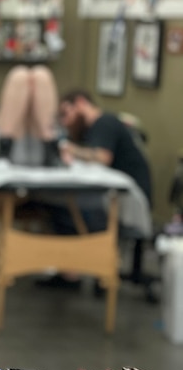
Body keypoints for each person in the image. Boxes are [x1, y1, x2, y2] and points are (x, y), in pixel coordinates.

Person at [35, 88, 153, 288]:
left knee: (61, 209)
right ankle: (72, 271)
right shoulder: (96, 128)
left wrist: (69, 149)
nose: (65, 121)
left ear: (80, 103)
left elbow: (102, 157)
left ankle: (74, 273)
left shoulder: (104, 123)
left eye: (66, 113)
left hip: (126, 203)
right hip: (117, 197)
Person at [0, 64, 62, 166]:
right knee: (23, 75)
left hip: (32, 146)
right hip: (23, 147)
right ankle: (47, 146)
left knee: (39, 74)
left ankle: (48, 146)